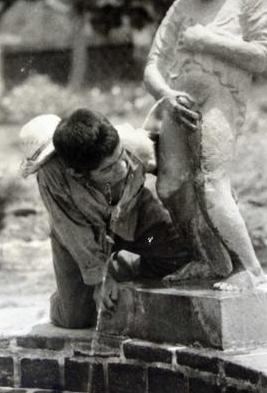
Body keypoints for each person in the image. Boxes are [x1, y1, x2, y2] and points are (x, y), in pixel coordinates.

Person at [144, 0, 267, 291]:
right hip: (178, 102)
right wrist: (165, 95)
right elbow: (152, 64)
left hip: (221, 96)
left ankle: (250, 270)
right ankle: (209, 260)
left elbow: (263, 56)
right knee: (170, 186)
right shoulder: (181, 7)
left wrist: (206, 41)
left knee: (211, 182)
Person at [19, 109, 190, 329]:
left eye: (120, 156)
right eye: (108, 168)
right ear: (76, 173)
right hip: (79, 240)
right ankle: (75, 288)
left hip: (134, 219)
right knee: (76, 318)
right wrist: (100, 279)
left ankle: (123, 266)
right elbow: (73, 231)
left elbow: (181, 171)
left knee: (176, 255)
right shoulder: (51, 176)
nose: (122, 167)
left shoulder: (131, 142)